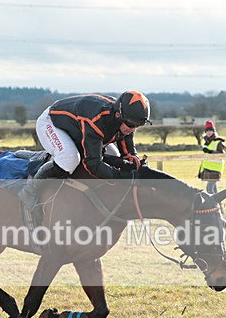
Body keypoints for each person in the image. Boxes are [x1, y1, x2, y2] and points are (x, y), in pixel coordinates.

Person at [17, 91, 150, 223]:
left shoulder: (126, 117)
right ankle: (30, 191)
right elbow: (93, 164)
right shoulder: (97, 119)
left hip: (78, 127)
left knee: (113, 155)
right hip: (51, 123)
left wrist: (134, 162)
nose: (133, 129)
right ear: (118, 115)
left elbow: (127, 150)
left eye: (137, 126)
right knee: (70, 159)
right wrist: (121, 177)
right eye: (131, 125)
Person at [197, 120, 226, 195]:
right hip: (207, 169)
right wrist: (200, 171)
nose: (209, 132)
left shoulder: (218, 142)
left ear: (213, 131)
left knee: (209, 189)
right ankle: (218, 202)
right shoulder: (206, 142)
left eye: (210, 130)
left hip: (215, 168)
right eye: (207, 131)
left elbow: (222, 154)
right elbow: (205, 159)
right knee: (214, 190)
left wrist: (211, 152)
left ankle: (215, 202)